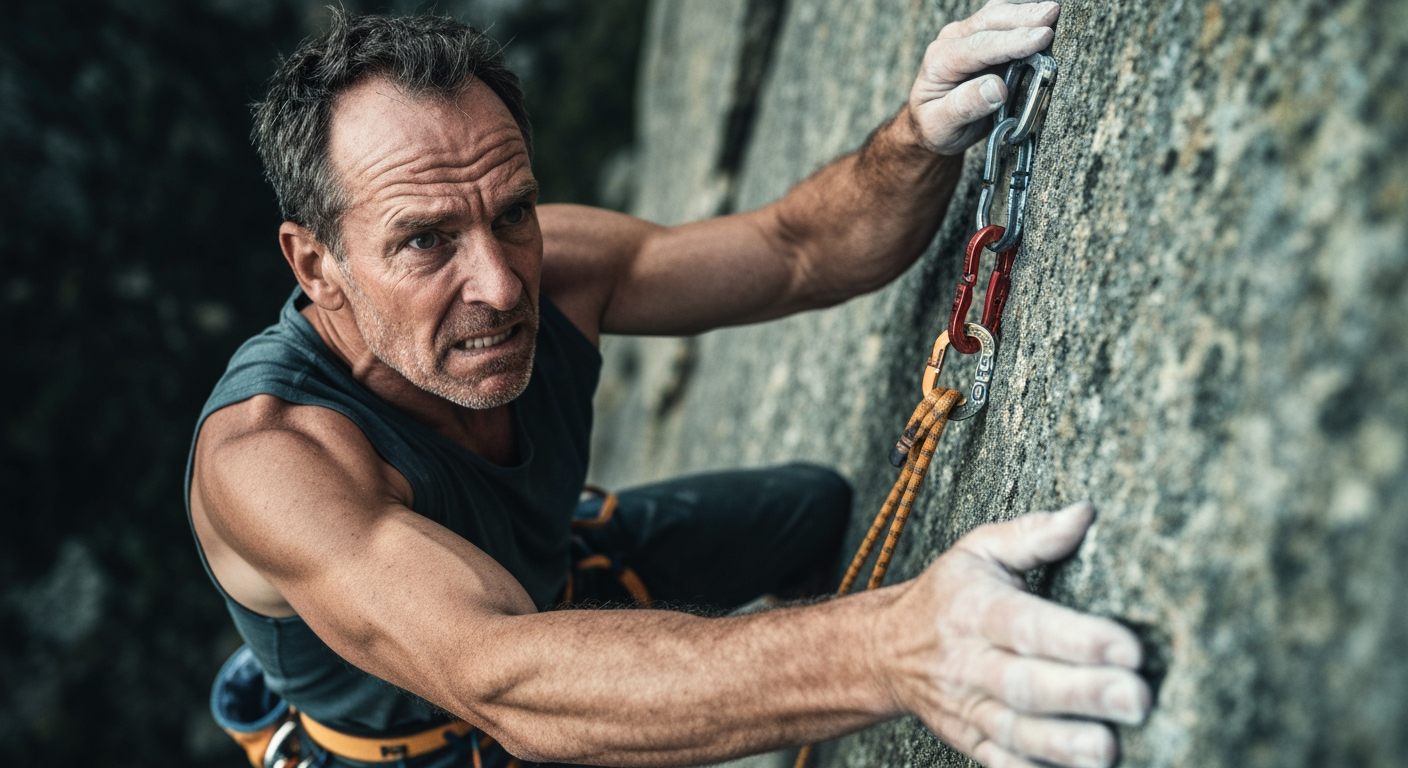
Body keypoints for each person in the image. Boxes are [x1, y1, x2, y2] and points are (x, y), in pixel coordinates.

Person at [188, 3, 1151, 768]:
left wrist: (921, 131)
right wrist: (892, 648)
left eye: (513, 211)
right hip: (440, 726)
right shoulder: (272, 458)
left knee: (814, 512)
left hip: (553, 588)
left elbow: (794, 251)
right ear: (316, 266)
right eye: (424, 240)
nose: (501, 282)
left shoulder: (547, 264)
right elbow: (502, 675)